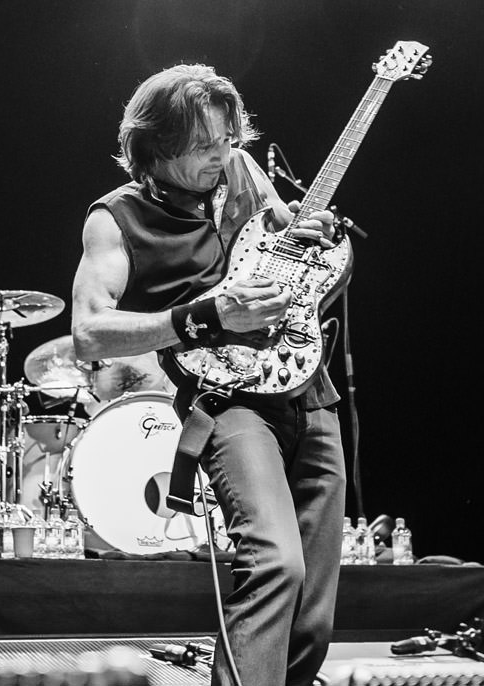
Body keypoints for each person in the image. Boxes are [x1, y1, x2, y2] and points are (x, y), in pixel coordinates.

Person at [71, 64, 345, 686]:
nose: (222, 156)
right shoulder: (116, 220)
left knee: (314, 611)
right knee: (275, 562)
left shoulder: (241, 168)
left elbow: (285, 234)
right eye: (203, 147)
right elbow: (89, 330)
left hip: (309, 386)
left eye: (228, 139)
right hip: (229, 406)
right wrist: (207, 316)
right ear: (155, 148)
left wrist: (308, 229)